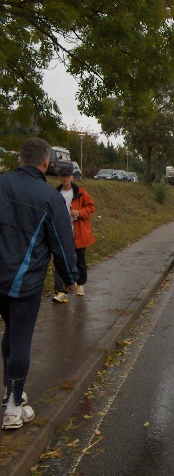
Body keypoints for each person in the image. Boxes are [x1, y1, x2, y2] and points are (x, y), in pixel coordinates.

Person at [0, 137, 78, 430]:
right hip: (24, 282)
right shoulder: (50, 197)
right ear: (46, 162)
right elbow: (62, 244)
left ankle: (11, 390)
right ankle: (12, 408)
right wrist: (70, 278)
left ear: (20, 158)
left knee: (10, 332)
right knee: (20, 338)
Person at [52, 166, 96, 303]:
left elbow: (91, 207)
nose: (65, 178)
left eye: (67, 176)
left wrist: (79, 213)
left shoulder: (80, 193)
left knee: (79, 260)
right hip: (62, 233)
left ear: (72, 177)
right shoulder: (55, 193)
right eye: (62, 176)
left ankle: (80, 284)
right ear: (59, 178)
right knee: (60, 261)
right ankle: (61, 292)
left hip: (79, 233)